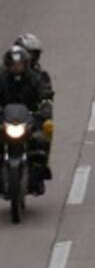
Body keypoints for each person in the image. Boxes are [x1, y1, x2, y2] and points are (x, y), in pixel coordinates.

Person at [0, 45, 54, 192]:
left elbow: (45, 93)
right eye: (13, 65)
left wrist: (45, 107)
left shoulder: (35, 78)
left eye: (19, 64)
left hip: (31, 118)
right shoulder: (2, 79)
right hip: (5, 120)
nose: (16, 68)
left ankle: (40, 168)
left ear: (25, 64)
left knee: (45, 132)